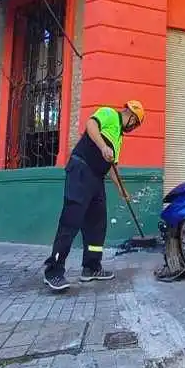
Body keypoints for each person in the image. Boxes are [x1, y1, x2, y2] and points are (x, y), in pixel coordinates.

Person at [42, 101, 144, 291]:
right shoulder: (109, 113)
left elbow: (113, 167)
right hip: (81, 168)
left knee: (97, 223)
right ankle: (53, 270)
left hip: (97, 178)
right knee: (71, 220)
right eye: (135, 123)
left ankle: (91, 267)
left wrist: (121, 189)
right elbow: (91, 125)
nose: (133, 127)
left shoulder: (119, 139)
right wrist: (103, 146)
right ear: (131, 115)